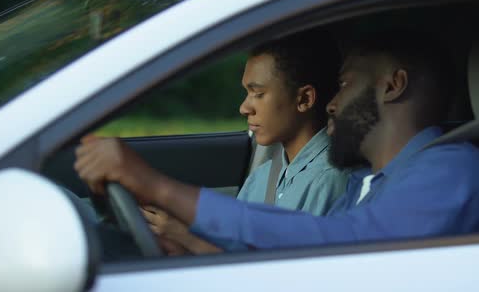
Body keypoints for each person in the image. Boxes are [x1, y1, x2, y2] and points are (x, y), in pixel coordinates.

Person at [75, 32, 479, 252]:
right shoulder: (372, 183)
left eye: (343, 85)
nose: (331, 102)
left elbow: (337, 249)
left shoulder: (453, 170)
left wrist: (158, 186)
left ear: (393, 86)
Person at [80, 31, 350, 255]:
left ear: (304, 99)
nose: (245, 107)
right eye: (247, 93)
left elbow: (278, 278)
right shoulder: (265, 176)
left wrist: (183, 235)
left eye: (258, 94)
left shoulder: (328, 181)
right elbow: (237, 255)